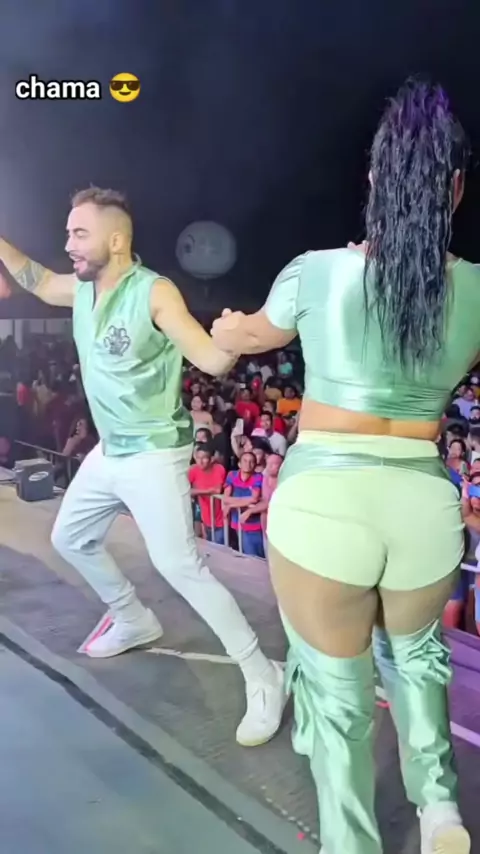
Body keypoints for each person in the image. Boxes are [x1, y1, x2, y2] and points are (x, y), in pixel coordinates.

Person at [212, 81, 476, 853]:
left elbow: (248, 337)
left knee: (338, 701)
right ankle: (440, 808)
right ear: (457, 188)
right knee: (418, 659)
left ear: (373, 179)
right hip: (421, 504)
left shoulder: (316, 272)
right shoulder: (476, 289)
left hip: (324, 502)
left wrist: (228, 326)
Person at [0, 186, 284, 748]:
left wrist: (234, 337)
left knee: (180, 566)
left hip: (154, 451)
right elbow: (38, 279)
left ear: (115, 240)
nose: (68, 243)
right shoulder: (80, 289)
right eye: (68, 232)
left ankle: (262, 673)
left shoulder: (154, 292)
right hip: (111, 450)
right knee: (70, 537)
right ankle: (131, 617)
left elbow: (210, 359)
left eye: (79, 233)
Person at [223, 451, 265, 558]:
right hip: (238, 522)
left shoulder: (258, 477)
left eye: (251, 461)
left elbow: (254, 498)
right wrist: (247, 501)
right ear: (239, 464)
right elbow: (226, 498)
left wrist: (232, 505)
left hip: (254, 524)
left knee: (256, 557)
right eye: (245, 461)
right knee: (245, 554)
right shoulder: (232, 475)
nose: (248, 464)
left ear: (255, 465)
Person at [188, 443, 226, 544]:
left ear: (211, 459)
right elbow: (186, 490)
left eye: (204, 458)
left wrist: (196, 491)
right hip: (205, 517)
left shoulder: (219, 468)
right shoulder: (193, 470)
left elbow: (217, 490)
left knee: (219, 546)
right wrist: (208, 491)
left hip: (221, 518)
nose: (200, 461)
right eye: (198, 458)